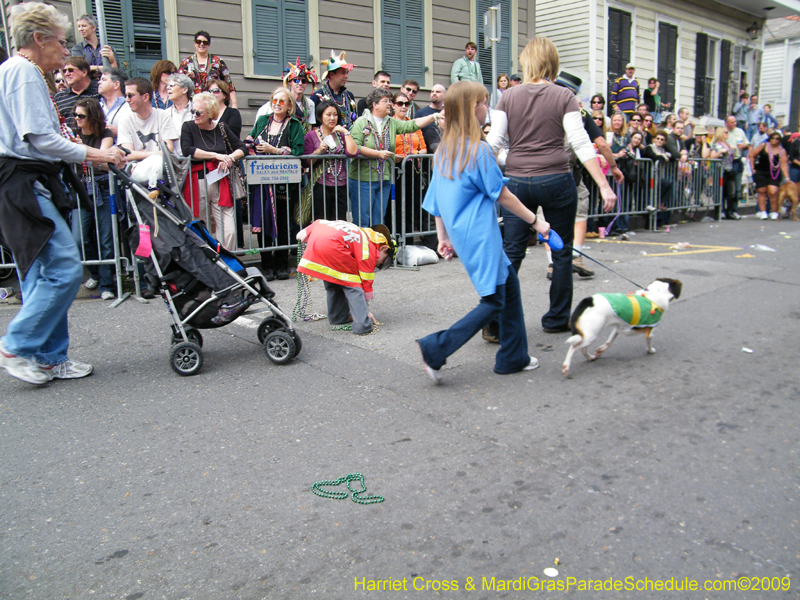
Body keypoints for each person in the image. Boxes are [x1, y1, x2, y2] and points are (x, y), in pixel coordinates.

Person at [0, 1, 125, 385]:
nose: (65, 49)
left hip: (22, 180)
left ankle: (50, 357)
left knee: (40, 272)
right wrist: (96, 153)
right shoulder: (23, 72)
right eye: (59, 41)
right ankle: (17, 345)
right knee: (65, 267)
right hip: (23, 181)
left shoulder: (17, 70)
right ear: (38, 39)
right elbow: (40, 138)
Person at [416, 81, 551, 383]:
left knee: (509, 289)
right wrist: (537, 222)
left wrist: (443, 238)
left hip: (467, 237)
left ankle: (513, 356)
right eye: (483, 102)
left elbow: (436, 202)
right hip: (481, 238)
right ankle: (436, 349)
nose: (486, 108)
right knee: (493, 301)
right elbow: (502, 194)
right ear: (469, 109)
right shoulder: (478, 151)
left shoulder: (445, 152)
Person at [487, 37, 616, 334]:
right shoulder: (564, 96)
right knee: (562, 252)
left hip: (518, 180)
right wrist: (604, 185)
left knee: (513, 250)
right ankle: (557, 319)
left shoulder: (508, 96)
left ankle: (494, 321)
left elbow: (493, 144)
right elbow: (582, 145)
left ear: (526, 62)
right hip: (557, 179)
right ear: (552, 62)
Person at [348, 88, 440, 228]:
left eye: (390, 101)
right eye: (385, 101)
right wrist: (379, 154)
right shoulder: (361, 122)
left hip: (384, 178)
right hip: (363, 179)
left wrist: (434, 117)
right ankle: (362, 249)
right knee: (362, 220)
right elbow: (356, 147)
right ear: (375, 104)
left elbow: (412, 124)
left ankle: (378, 249)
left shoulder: (391, 122)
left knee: (379, 219)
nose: (389, 104)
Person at [246, 86, 305, 280]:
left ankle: (281, 264)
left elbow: (298, 150)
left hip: (284, 183)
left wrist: (276, 150)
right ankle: (266, 265)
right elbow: (249, 140)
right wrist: (251, 148)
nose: (277, 104)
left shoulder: (294, 124)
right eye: (275, 100)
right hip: (262, 181)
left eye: (282, 101)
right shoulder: (263, 121)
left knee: (282, 222)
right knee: (262, 222)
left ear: (289, 106)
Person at [296, 220, 395, 335]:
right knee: (353, 284)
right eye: (382, 261)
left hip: (316, 246)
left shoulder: (358, 231)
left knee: (334, 282)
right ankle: (363, 326)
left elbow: (315, 226)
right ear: (383, 248)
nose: (378, 264)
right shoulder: (370, 249)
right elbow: (365, 284)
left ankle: (338, 317)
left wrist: (305, 233)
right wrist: (366, 312)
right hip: (334, 247)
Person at [180, 92, 246, 250]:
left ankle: (225, 259)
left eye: (198, 112)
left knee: (229, 230)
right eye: (193, 111)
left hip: (220, 182)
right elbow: (187, 150)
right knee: (200, 227)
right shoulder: (188, 127)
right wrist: (216, 156)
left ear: (210, 113)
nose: (194, 115)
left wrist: (229, 157)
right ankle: (207, 263)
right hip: (197, 182)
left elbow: (242, 148)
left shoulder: (222, 128)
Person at [71, 98, 116, 299]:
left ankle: (107, 285)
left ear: (93, 117)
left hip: (102, 187)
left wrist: (82, 151)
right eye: (75, 115)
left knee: (106, 237)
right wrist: (89, 155)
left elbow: (105, 158)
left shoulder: (104, 133)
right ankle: (96, 273)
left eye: (81, 116)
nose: (77, 119)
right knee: (79, 237)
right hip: (80, 189)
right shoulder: (72, 135)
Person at [304, 100, 359, 222]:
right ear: (320, 116)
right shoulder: (312, 135)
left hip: (341, 184)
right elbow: (306, 162)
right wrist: (318, 151)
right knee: (322, 221)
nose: (332, 118)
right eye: (328, 114)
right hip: (320, 184)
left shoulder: (341, 135)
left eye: (335, 114)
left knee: (339, 221)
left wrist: (345, 132)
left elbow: (353, 152)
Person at [391, 91, 427, 235]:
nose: (403, 106)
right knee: (396, 205)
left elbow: (424, 149)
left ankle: (409, 241)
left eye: (407, 104)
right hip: (395, 167)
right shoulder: (390, 124)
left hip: (412, 167)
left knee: (411, 205)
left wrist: (416, 154)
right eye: (400, 103)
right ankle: (396, 240)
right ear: (393, 105)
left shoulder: (414, 124)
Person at [117, 77, 178, 162]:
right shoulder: (125, 119)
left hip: (161, 168)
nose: (127, 100)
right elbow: (127, 154)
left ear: (145, 97)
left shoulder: (163, 115)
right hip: (135, 170)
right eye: (126, 96)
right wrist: (158, 154)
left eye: (130, 95)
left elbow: (169, 149)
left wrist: (138, 155)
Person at [257, 59, 317, 135]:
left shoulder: (310, 104)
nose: (300, 83)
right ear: (290, 82)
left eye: (304, 81)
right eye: (296, 80)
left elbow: (309, 128)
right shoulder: (279, 101)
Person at [178, 30, 237, 107]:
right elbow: (178, 84)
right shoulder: (186, 62)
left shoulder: (217, 61)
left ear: (209, 45)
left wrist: (234, 104)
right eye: (198, 42)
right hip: (193, 104)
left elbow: (229, 83)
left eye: (205, 42)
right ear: (194, 43)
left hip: (214, 103)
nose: (201, 44)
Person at [311, 50, 357, 129]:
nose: (346, 76)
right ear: (332, 75)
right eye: (343, 73)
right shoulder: (317, 97)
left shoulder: (349, 96)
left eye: (347, 73)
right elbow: (314, 127)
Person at [750, 131, 790, 220]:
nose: (774, 140)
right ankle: (763, 211)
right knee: (762, 191)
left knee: (773, 192)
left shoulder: (781, 150)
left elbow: (784, 165)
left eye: (777, 139)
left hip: (774, 172)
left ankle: (774, 211)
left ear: (780, 140)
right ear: (770, 138)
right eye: (773, 138)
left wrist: (787, 177)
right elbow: (752, 155)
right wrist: (752, 168)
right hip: (761, 171)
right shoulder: (763, 145)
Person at [54, 56, 98, 133]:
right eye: (64, 71)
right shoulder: (59, 97)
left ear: (84, 72)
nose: (66, 74)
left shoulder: (99, 91)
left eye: (70, 70)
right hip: (68, 142)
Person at [708, 127, 738, 220]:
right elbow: (712, 156)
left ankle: (729, 211)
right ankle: (719, 211)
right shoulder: (716, 145)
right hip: (720, 170)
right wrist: (720, 151)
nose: (727, 134)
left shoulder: (728, 144)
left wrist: (734, 150)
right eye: (725, 132)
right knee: (719, 192)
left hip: (729, 170)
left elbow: (732, 156)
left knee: (730, 192)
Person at [165, 73, 194, 154]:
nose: (168, 88)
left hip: (197, 161)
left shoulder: (198, 110)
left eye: (172, 85)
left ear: (185, 90)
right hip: (173, 161)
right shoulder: (165, 114)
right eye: (167, 86)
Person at [97, 67, 130, 137]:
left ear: (116, 85)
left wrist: (120, 132)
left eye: (103, 80)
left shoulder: (130, 107)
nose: (99, 82)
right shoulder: (97, 106)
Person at [725, 115, 749, 202]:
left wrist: (744, 146)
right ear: (726, 123)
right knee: (727, 188)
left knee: (737, 188)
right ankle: (724, 210)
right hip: (726, 162)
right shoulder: (723, 132)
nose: (735, 123)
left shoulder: (740, 131)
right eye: (732, 122)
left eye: (735, 121)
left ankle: (734, 210)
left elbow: (747, 144)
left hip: (737, 161)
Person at [416, 83, 445, 153]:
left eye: (438, 92)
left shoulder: (448, 112)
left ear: (445, 95)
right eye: (432, 91)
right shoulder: (420, 113)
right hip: (426, 156)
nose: (434, 93)